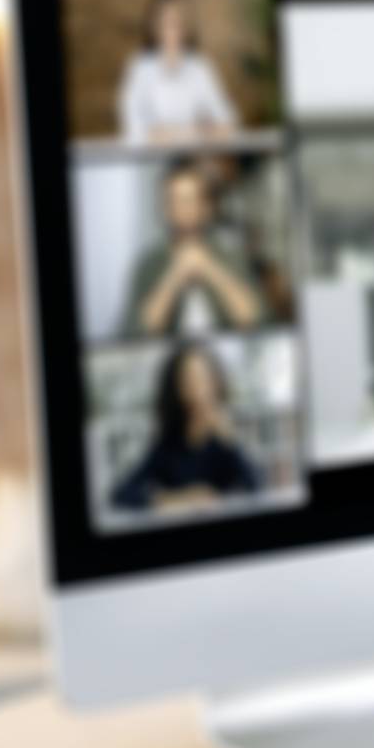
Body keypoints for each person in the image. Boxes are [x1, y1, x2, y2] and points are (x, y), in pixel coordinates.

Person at [109, 341, 263, 516]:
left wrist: (231, 441)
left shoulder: (225, 442)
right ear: (176, 389)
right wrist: (178, 499)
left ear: (216, 382)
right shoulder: (168, 445)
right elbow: (119, 495)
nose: (198, 389)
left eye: (204, 378)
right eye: (188, 380)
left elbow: (258, 487)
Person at [120, 158, 265, 338]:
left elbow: (255, 320)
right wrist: (175, 275)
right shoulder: (149, 263)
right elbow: (137, 332)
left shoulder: (231, 254)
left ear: (207, 208)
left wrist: (209, 268)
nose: (182, 209)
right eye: (173, 200)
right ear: (164, 208)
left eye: (189, 200)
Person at [117, 0, 239, 145]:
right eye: (167, 21)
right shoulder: (140, 68)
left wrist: (176, 133)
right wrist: (198, 131)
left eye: (178, 21)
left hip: (192, 158)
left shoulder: (200, 67)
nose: (173, 29)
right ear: (154, 25)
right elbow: (132, 129)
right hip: (149, 161)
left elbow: (228, 121)